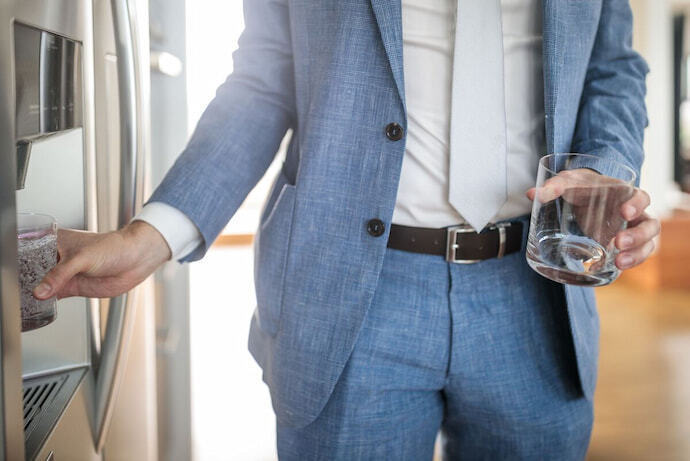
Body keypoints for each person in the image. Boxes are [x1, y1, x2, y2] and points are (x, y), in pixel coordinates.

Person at [34, 0, 659, 459]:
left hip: (535, 290)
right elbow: (263, 81)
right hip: (351, 295)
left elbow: (613, 67)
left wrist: (604, 170)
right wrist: (157, 232)